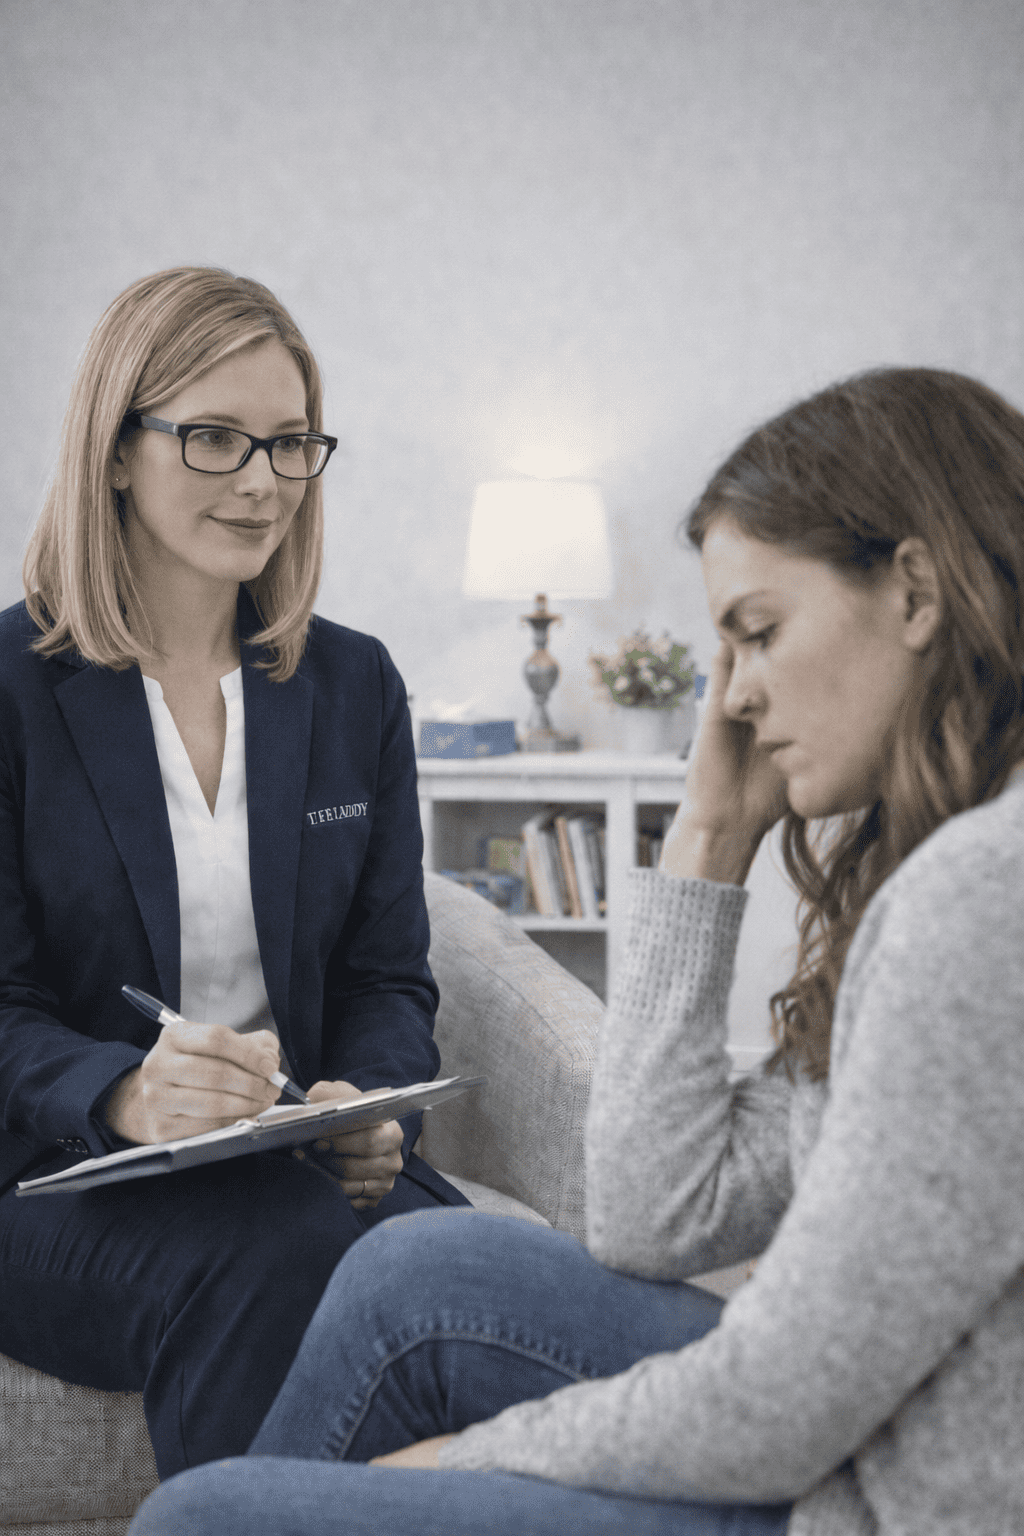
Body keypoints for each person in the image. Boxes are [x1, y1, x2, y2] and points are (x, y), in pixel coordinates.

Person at [129, 366, 1024, 1535]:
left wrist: (468, 1462)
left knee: (208, 1519)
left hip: (891, 1499)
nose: (736, 700)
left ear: (914, 591)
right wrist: (703, 843)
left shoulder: (976, 899)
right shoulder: (951, 865)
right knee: (420, 1272)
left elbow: (783, 1403)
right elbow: (658, 1217)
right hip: (862, 1432)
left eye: (757, 634)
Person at [0, 266, 470, 1481]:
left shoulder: (354, 685)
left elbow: (386, 979)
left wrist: (370, 1107)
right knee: (281, 1253)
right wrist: (124, 1095)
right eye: (214, 438)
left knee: (470, 1280)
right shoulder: (8, 691)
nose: (261, 480)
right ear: (115, 449)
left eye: (290, 443)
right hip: (53, 1184)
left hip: (294, 1160)